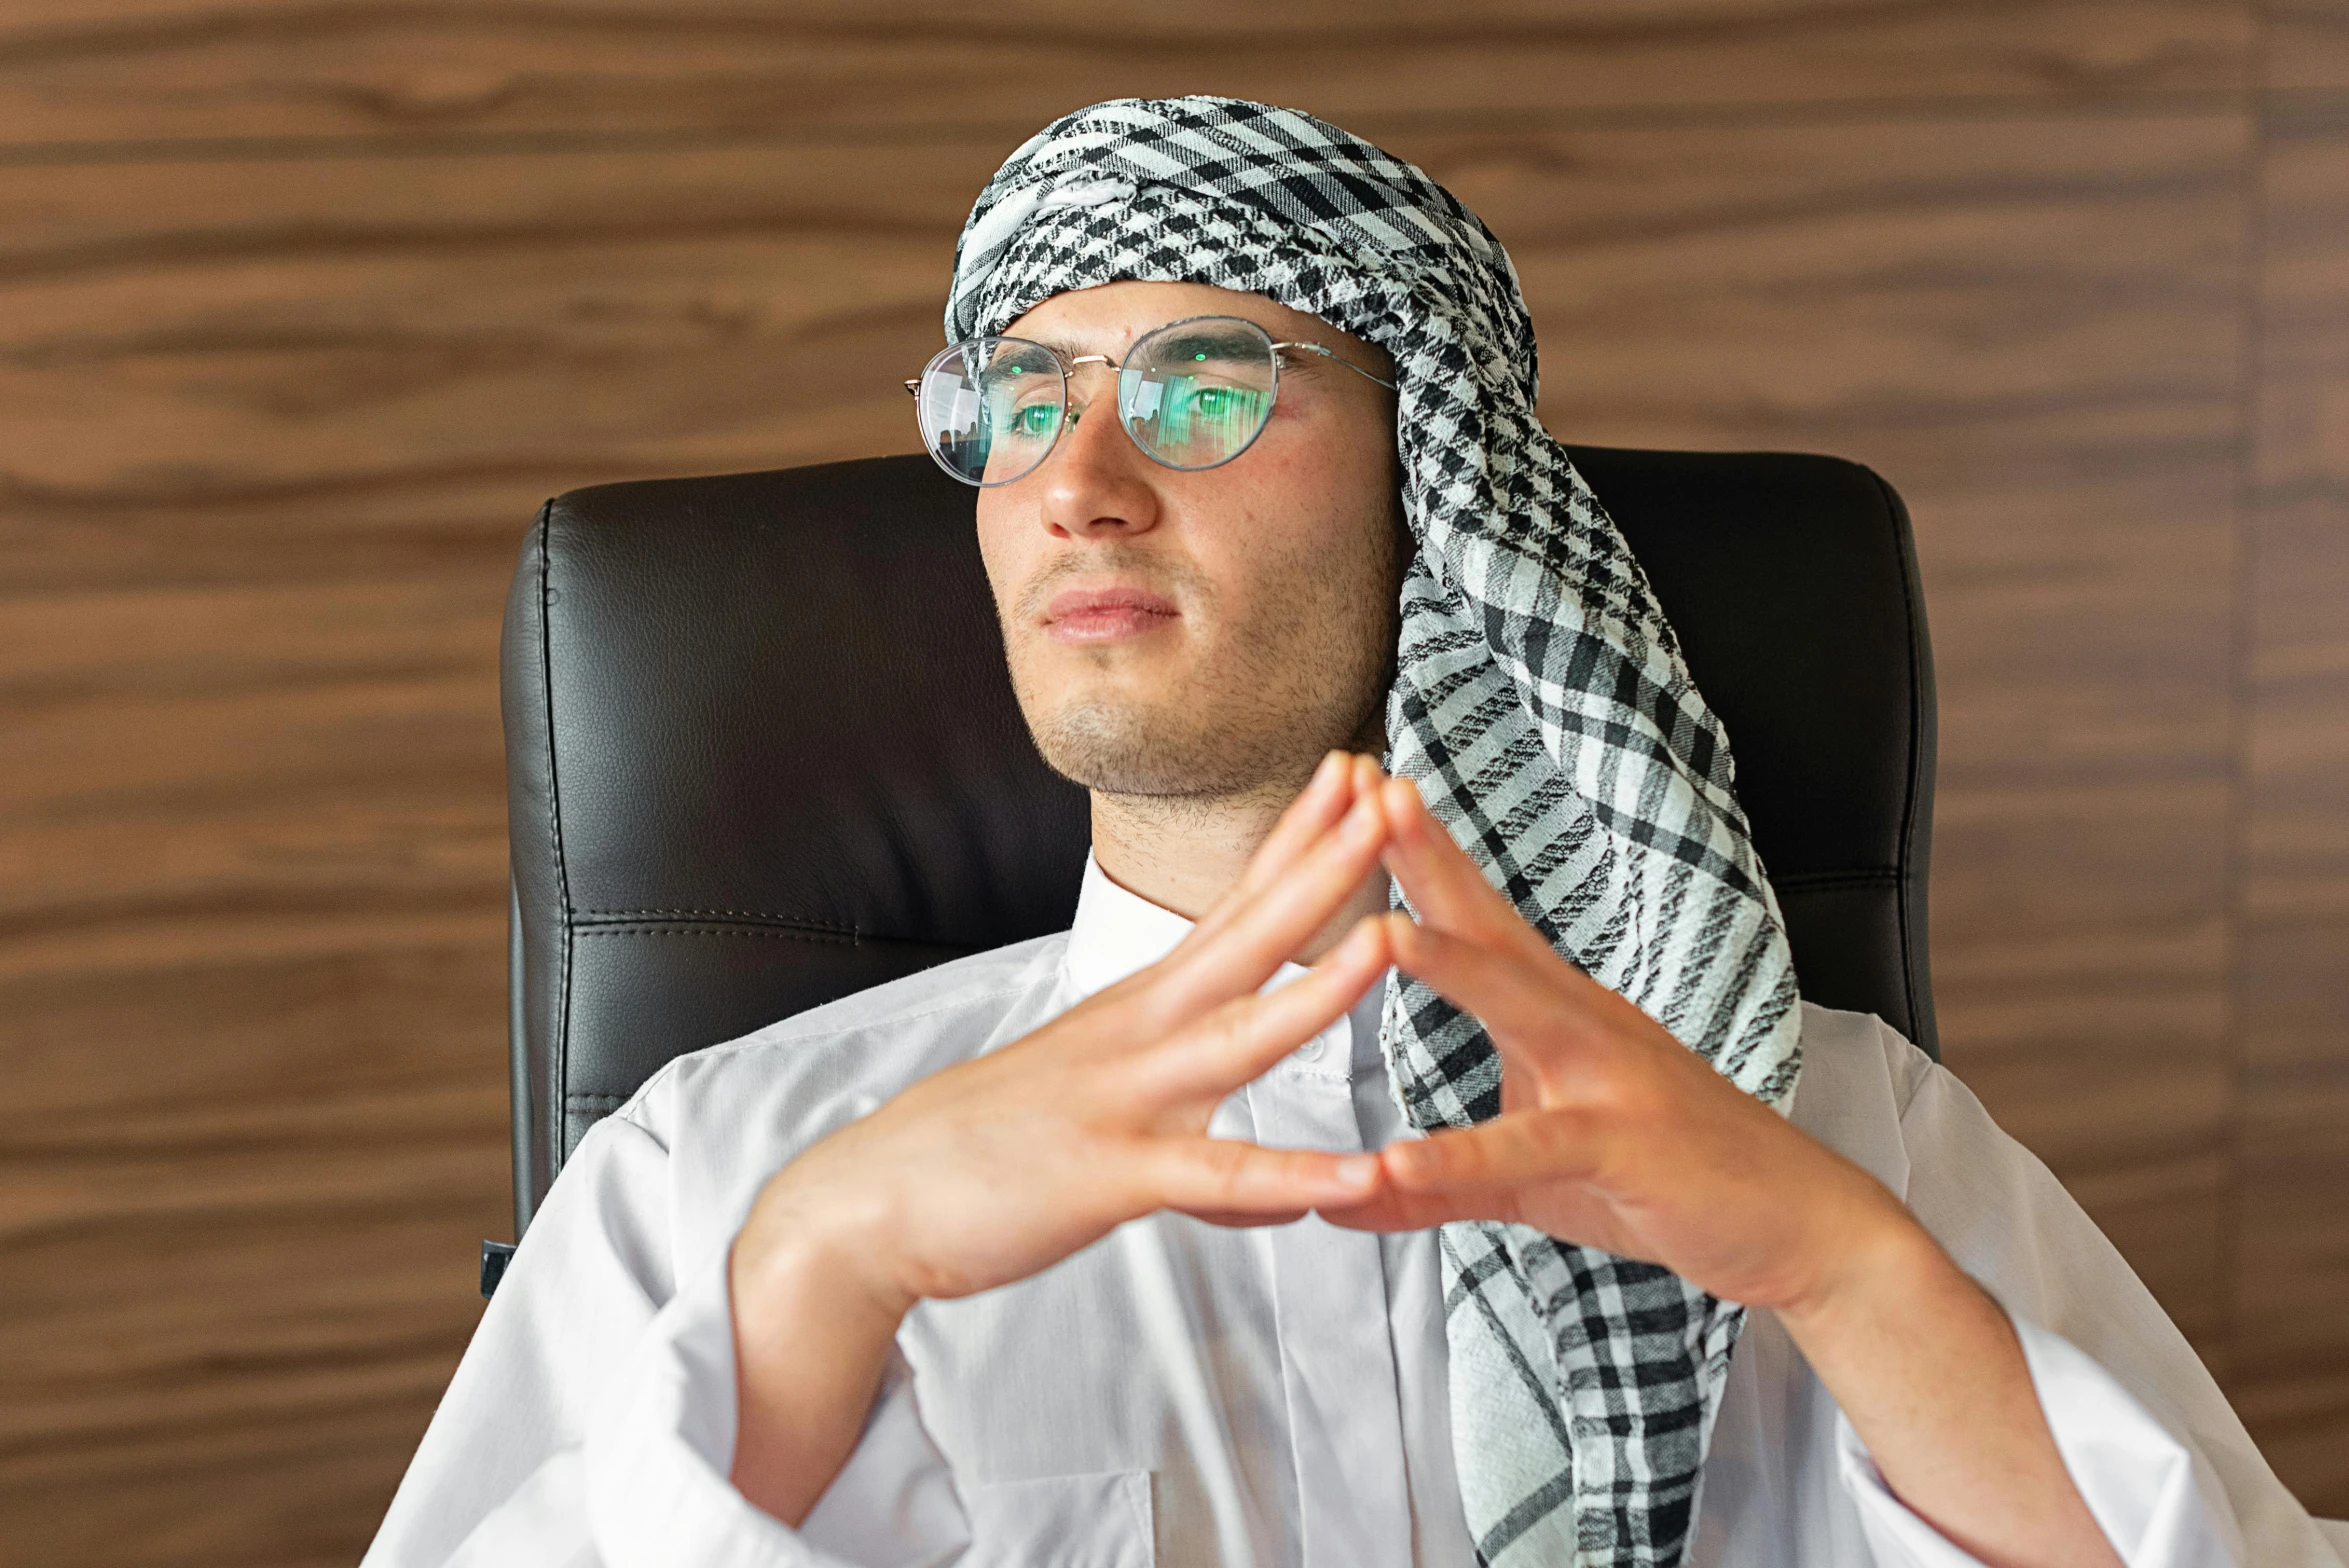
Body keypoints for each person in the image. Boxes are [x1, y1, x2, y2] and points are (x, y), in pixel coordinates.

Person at [362, 98, 2344, 1568]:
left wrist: (1841, 1274)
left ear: (1444, 486)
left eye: (1204, 386)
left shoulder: (1840, 1133)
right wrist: (813, 1286)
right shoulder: (723, 1171)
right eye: (1018, 399)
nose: (1076, 483)